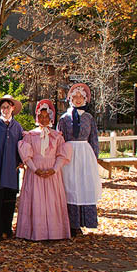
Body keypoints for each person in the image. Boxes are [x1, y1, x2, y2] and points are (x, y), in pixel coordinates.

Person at [16, 100, 72, 241]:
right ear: (37, 117)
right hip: (35, 172)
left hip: (52, 172)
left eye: (47, 117)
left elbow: (62, 154)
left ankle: (55, 232)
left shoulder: (57, 136)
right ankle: (35, 231)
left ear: (51, 118)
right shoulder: (30, 135)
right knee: (36, 200)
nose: (44, 119)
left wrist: (54, 169)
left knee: (52, 201)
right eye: (41, 116)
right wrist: (35, 170)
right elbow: (26, 155)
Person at [56, 83, 102, 236]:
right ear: (70, 98)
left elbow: (94, 138)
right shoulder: (64, 118)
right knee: (70, 186)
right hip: (69, 155)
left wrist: (95, 157)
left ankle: (84, 221)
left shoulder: (89, 118)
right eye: (74, 97)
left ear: (85, 99)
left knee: (84, 186)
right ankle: (71, 224)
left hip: (84, 155)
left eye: (80, 97)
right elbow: (58, 139)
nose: (77, 99)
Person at [0, 94, 24, 241]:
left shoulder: (18, 127)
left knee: (9, 201)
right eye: (3, 107)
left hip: (11, 170)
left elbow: (22, 147)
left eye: (8, 107)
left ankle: (8, 228)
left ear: (12, 108)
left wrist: (21, 161)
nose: (5, 110)